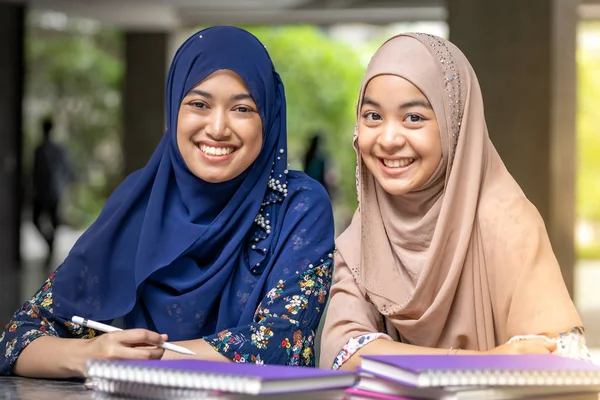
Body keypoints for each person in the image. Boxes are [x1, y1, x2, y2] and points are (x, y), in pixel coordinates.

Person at [0, 26, 335, 378]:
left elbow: (282, 347)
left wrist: (141, 361)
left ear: (269, 116)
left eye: (242, 108)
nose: (218, 127)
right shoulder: (140, 201)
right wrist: (91, 354)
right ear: (174, 107)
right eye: (199, 104)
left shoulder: (297, 206)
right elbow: (17, 341)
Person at [319, 33, 591, 371]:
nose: (388, 139)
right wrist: (485, 362)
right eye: (373, 116)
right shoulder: (366, 231)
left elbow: (561, 358)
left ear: (455, 125)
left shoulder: (504, 219)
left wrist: (389, 358)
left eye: (413, 117)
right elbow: (344, 353)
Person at [32, 117, 73, 267]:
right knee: (38, 220)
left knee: (51, 221)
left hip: (51, 192)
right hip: (48, 192)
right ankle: (50, 244)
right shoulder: (42, 150)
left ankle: (50, 247)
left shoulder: (51, 150)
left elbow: (65, 170)